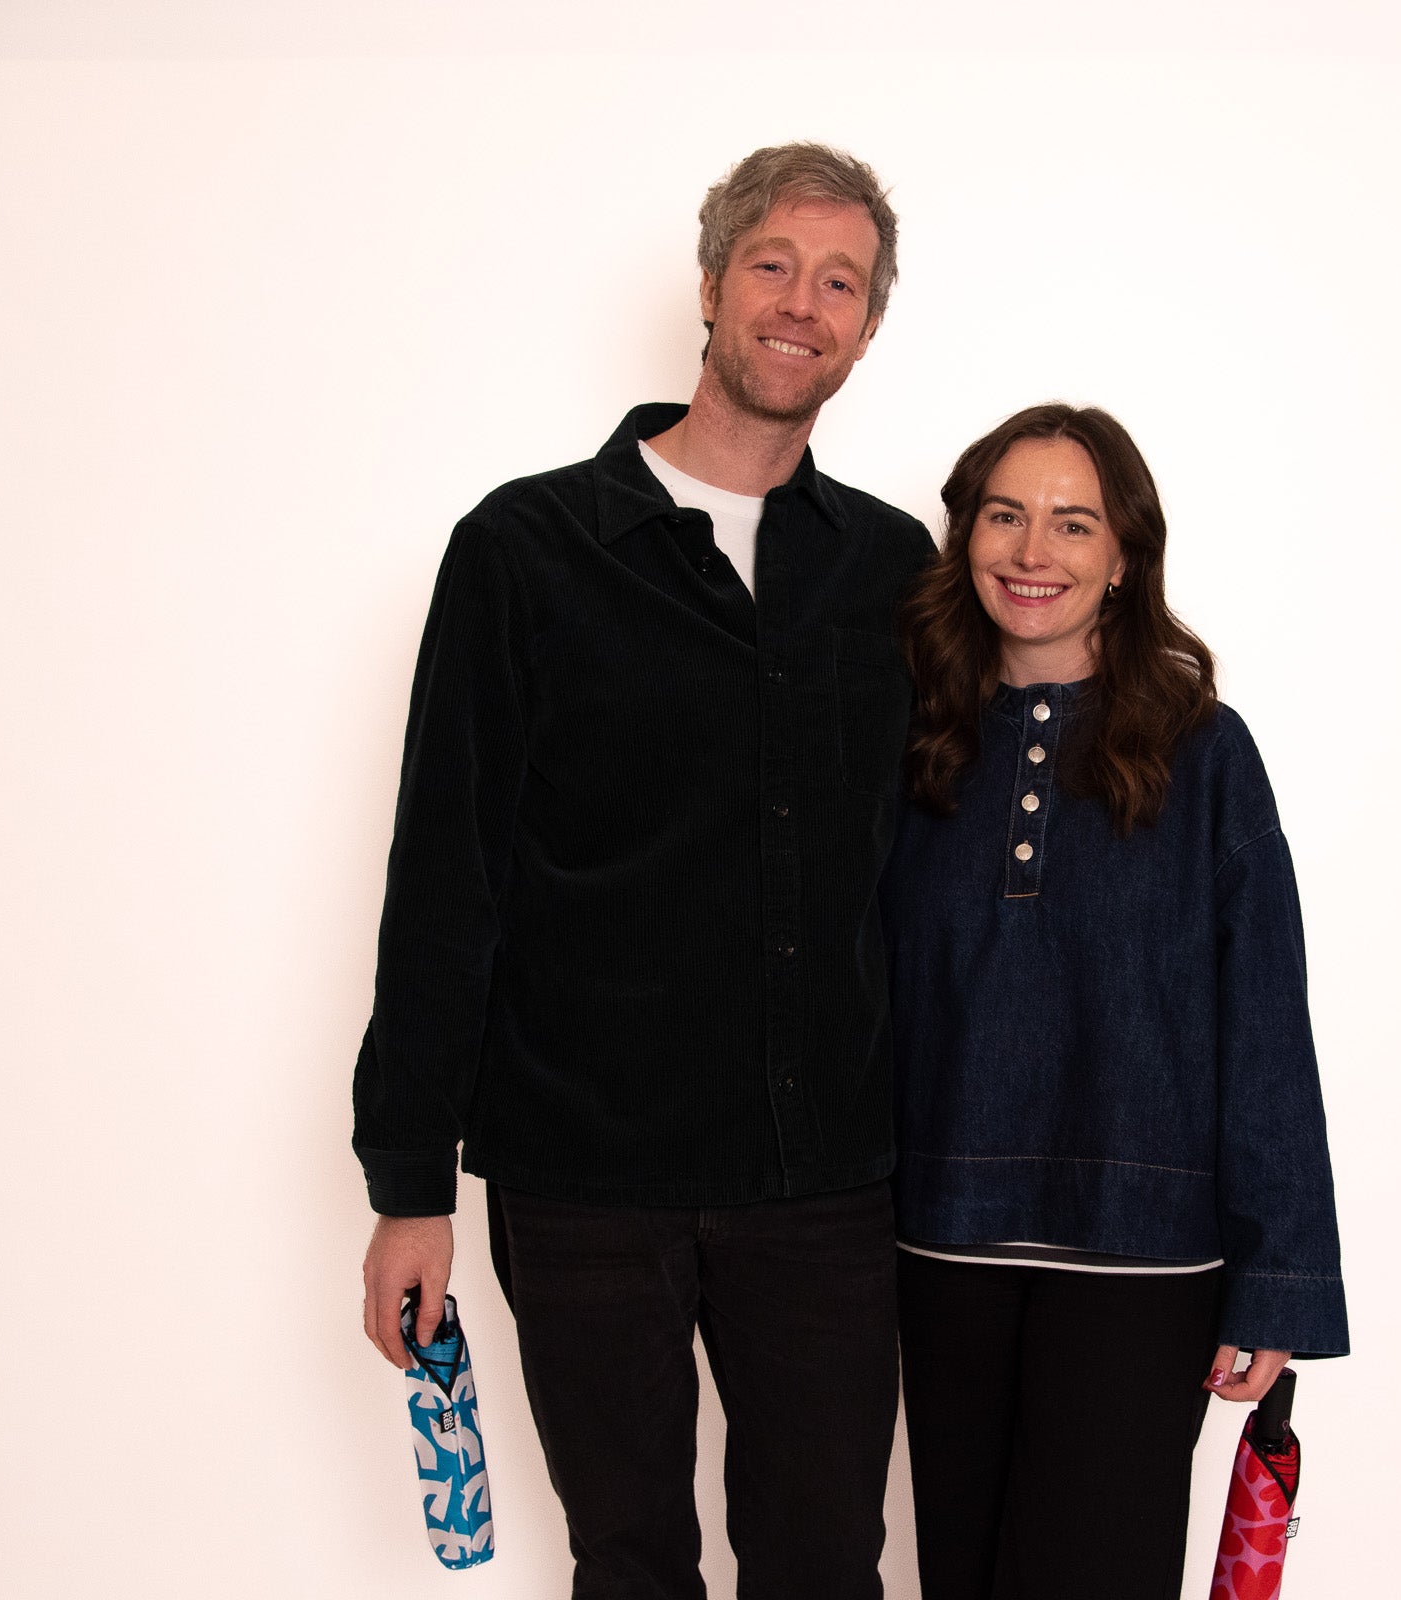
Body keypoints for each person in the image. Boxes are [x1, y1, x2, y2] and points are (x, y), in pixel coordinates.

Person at [351, 143, 935, 1600]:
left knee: (824, 1567)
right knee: (628, 1562)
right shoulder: (526, 550)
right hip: (584, 1181)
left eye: (840, 282)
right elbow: (446, 872)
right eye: (774, 266)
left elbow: (927, 877)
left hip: (826, 1187)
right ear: (712, 284)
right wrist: (408, 1182)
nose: (802, 304)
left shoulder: (891, 571)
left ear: (869, 329)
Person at [878, 404, 1349, 1600]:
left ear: (1122, 557)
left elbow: (1264, 1027)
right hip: (940, 1241)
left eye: (1071, 523)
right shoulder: (914, 742)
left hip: (1142, 1266)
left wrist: (1275, 1278)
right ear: (964, 536)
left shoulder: (1204, 755)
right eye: (1004, 515)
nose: (1032, 550)